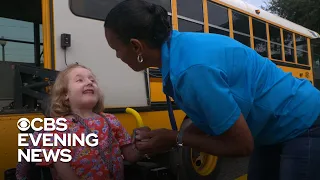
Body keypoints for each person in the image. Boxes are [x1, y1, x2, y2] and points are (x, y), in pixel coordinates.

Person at [103, 0, 320, 179]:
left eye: (116, 49)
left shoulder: (192, 70)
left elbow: (241, 146)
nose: (117, 56)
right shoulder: (181, 51)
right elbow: (215, 117)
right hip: (271, 131)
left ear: (136, 46)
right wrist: (164, 138)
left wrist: (174, 138)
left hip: (304, 123)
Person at [16, 64, 142, 180]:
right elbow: (63, 170)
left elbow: (131, 156)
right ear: (65, 94)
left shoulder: (111, 120)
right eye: (79, 80)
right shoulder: (56, 128)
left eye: (92, 80)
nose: (89, 82)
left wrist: (141, 143)